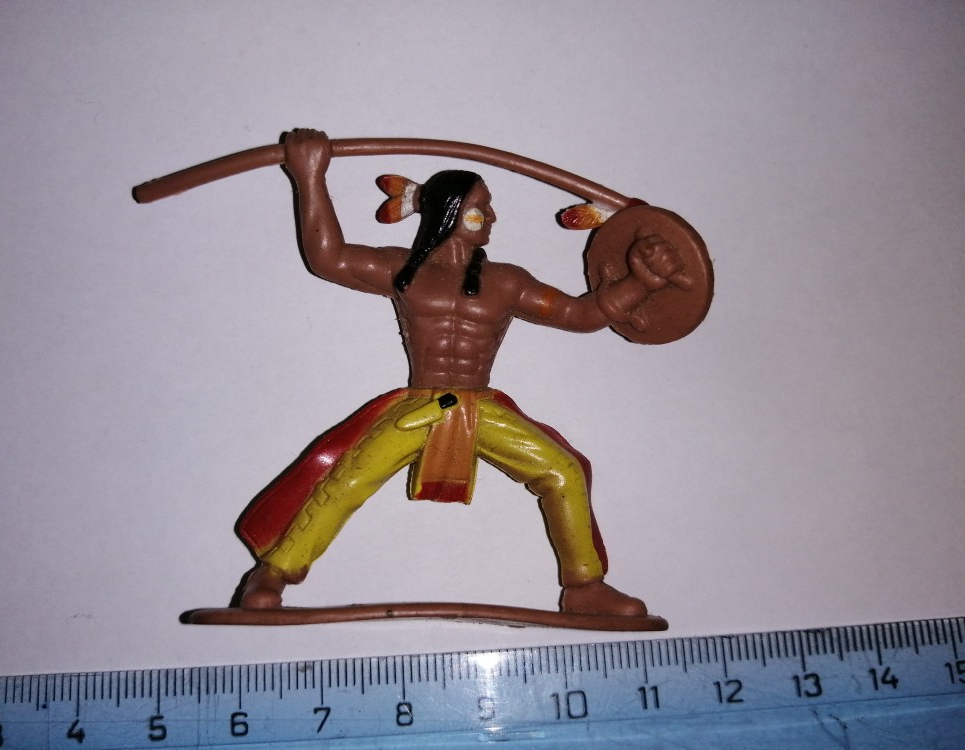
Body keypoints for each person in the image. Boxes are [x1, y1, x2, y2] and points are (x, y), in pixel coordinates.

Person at [236, 129, 683, 617]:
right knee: (346, 479)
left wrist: (642, 281)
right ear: (447, 213)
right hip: (420, 407)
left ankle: (585, 586)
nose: (491, 217)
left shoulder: (506, 281)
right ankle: (274, 571)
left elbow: (580, 314)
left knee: (562, 470)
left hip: (480, 408)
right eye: (479, 208)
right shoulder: (403, 269)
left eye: (489, 207)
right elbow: (329, 257)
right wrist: (310, 175)